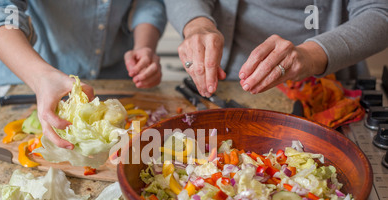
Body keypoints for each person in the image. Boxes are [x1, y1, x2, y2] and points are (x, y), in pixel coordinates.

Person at [0, 0, 167, 149]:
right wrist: (40, 77)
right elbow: (3, 9)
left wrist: (143, 46)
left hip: (117, 78)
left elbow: (149, 3)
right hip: (29, 79)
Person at [164, 0, 388, 98]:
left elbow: (379, 11)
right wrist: (197, 25)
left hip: (329, 84)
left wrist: (310, 55)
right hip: (228, 82)